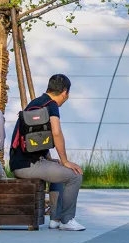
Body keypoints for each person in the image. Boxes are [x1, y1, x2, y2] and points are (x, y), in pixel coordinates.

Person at [9, 73, 85, 231]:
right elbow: (56, 132)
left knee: (59, 171)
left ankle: (55, 219)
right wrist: (65, 161)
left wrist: (51, 159)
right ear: (65, 92)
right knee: (75, 175)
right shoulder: (52, 106)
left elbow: (37, 139)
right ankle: (67, 220)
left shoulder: (36, 103)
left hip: (19, 162)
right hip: (29, 166)